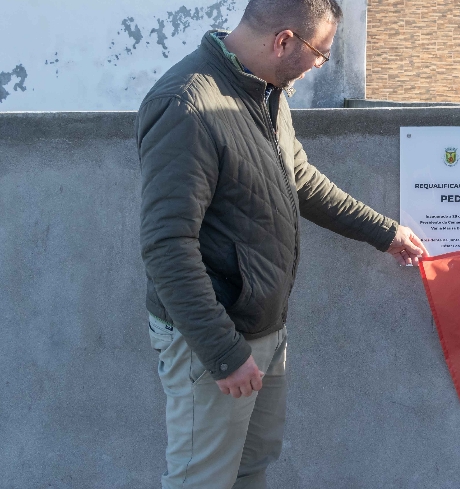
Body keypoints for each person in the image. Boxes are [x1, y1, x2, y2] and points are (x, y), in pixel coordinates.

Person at [136, 0, 428, 486]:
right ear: (284, 41)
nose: (320, 65)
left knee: (252, 468)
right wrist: (222, 351)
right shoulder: (187, 105)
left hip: (263, 329)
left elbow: (300, 180)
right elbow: (167, 245)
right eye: (321, 52)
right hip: (213, 340)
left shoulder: (266, 91)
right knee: (202, 480)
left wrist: (384, 231)